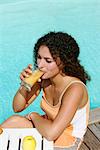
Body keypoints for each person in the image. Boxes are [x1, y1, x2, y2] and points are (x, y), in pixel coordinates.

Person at [1, 32, 91, 149]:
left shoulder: (75, 89)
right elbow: (17, 107)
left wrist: (33, 115)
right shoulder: (45, 79)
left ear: (63, 62)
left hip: (65, 138)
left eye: (48, 61)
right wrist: (24, 85)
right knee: (13, 122)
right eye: (39, 58)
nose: (40, 65)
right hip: (46, 126)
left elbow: (51, 134)